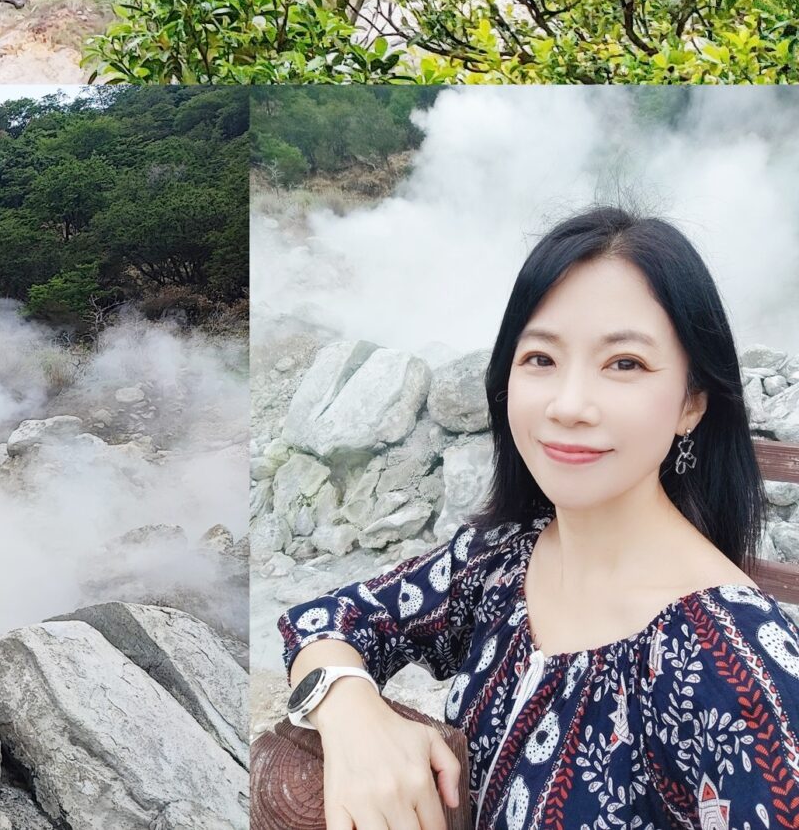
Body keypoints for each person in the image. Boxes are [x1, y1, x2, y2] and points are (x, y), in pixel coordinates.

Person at [279, 207, 799, 830]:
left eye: (624, 363)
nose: (569, 405)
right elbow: (327, 619)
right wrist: (350, 711)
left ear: (692, 402)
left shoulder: (731, 670)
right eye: (541, 359)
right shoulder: (500, 559)